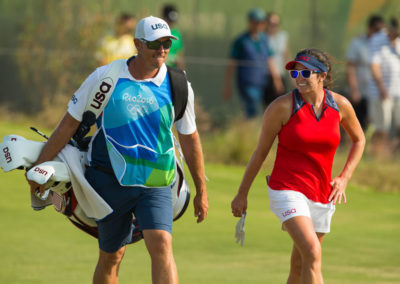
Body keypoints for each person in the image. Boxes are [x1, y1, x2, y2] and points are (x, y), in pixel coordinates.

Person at [27, 16, 209, 284]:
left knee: (161, 245)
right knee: (112, 256)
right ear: (137, 44)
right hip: (109, 181)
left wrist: (201, 191)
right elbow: (68, 124)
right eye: (155, 44)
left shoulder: (178, 86)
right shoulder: (106, 78)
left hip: (156, 181)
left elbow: (190, 139)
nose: (162, 50)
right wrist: (37, 167)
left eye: (167, 44)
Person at [231, 49, 365, 283]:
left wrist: (344, 178)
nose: (299, 78)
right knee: (313, 251)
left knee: (301, 263)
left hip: (323, 193)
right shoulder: (281, 107)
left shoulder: (340, 105)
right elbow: (260, 153)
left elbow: (359, 140)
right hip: (287, 189)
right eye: (295, 72)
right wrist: (242, 193)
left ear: (322, 76)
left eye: (306, 72)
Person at [222, 8, 284, 119]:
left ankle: (253, 131)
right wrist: (227, 85)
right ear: (250, 22)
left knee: (265, 110)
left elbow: (269, 59)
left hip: (262, 82)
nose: (258, 25)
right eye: (256, 22)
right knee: (253, 109)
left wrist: (276, 79)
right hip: (247, 82)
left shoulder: (264, 39)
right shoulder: (241, 41)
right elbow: (231, 63)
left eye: (261, 22)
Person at [346, 14, 384, 130]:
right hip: (360, 90)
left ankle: (374, 147)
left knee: (376, 124)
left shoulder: (383, 44)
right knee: (357, 123)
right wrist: (354, 89)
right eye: (376, 30)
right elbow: (350, 67)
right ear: (369, 28)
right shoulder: (357, 43)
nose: (379, 33)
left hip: (376, 92)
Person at [368, 17, 400, 156]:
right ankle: (375, 154)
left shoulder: (397, 42)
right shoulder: (377, 39)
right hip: (380, 92)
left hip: (397, 90)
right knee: (382, 126)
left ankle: (392, 154)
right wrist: (381, 88)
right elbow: (374, 65)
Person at [263, 12, 291, 107]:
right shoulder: (262, 38)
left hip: (280, 75)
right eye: (271, 24)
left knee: (282, 104)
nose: (273, 26)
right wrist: (276, 79)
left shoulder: (283, 36)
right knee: (268, 105)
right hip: (266, 76)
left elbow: (286, 55)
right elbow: (268, 59)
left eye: (276, 24)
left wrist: (292, 74)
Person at [162, 4, 185, 69]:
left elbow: (180, 54)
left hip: (174, 72)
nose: (171, 23)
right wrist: (172, 60)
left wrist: (182, 74)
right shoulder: (158, 34)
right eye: (169, 20)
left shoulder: (177, 33)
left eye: (172, 21)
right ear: (163, 17)